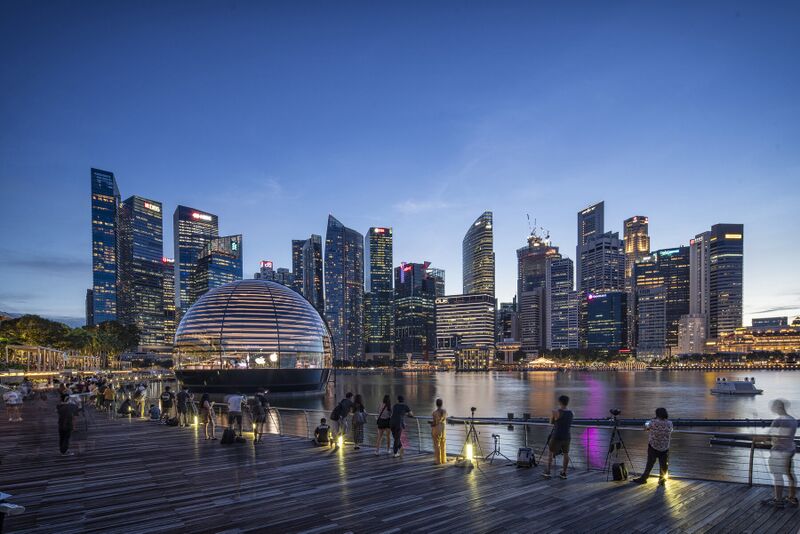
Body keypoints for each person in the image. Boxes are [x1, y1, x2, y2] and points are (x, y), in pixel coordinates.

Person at [761, 399, 798, 507]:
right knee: (790, 474)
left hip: (778, 452)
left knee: (778, 476)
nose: (772, 409)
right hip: (790, 450)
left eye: (773, 407)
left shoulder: (778, 421)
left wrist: (763, 440)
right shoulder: (793, 420)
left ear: (778, 408)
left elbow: (770, 437)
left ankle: (778, 500)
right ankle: (792, 497)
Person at [633, 407, 673, 485]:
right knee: (664, 465)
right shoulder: (670, 423)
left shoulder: (653, 422)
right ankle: (662, 480)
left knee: (650, 463)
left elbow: (645, 427)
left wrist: (649, 423)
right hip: (665, 447)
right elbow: (670, 430)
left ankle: (644, 478)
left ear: (657, 414)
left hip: (653, 446)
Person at [542, 395, 573, 480]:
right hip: (567, 436)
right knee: (566, 454)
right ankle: (564, 473)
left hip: (557, 436)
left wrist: (553, 414)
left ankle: (548, 472)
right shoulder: (571, 413)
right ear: (567, 402)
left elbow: (551, 422)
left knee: (550, 453)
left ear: (560, 402)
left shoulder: (556, 412)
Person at [430, 398, 448, 465]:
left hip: (437, 429)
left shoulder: (435, 413)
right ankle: (444, 460)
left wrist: (431, 424)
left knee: (437, 445)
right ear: (442, 404)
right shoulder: (444, 412)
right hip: (443, 430)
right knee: (443, 444)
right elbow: (443, 419)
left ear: (436, 404)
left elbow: (435, 423)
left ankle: (438, 461)